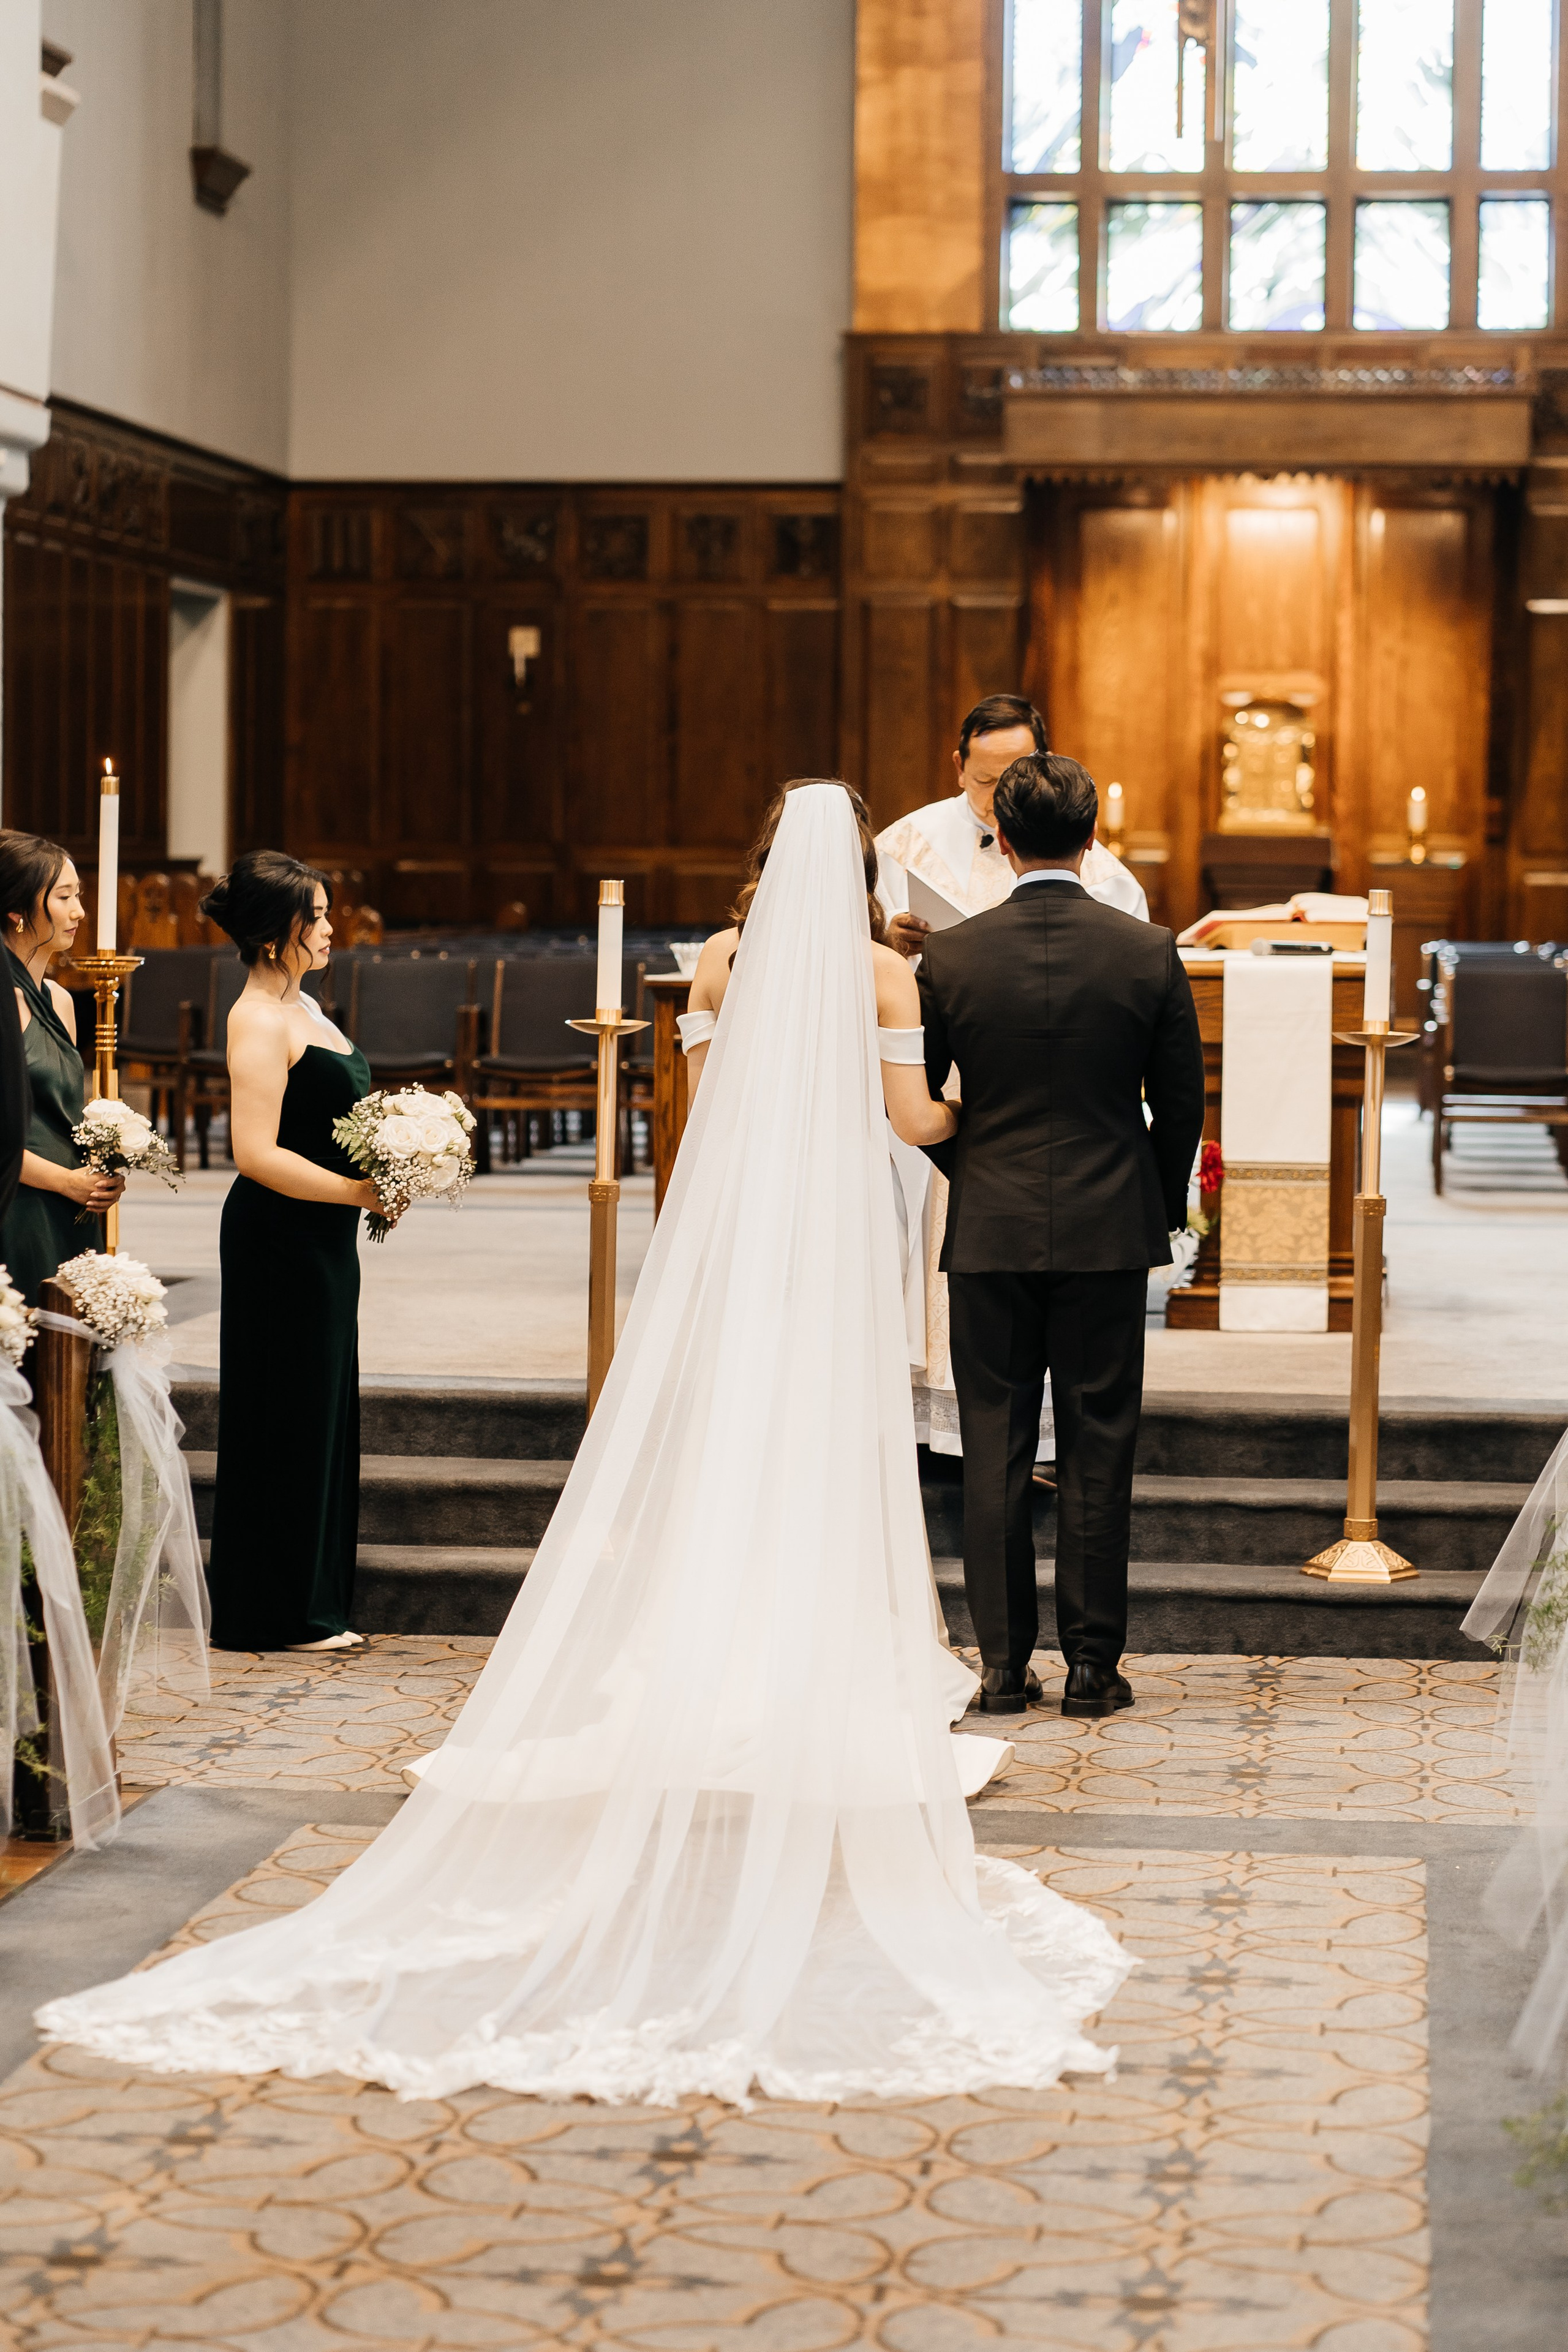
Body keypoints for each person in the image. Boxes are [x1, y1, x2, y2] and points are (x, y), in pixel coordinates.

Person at [39, 782, 1131, 2107]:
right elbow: (909, 1124)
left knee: (732, 1424)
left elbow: (710, 1102)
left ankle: (703, 1645)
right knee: (828, 1436)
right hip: (844, 1234)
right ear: (857, 868)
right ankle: (817, 1650)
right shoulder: (883, 976)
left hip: (735, 1241)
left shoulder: (725, 962)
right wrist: (1004, 1129)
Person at [917, 753, 1205, 1720]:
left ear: (1000, 835)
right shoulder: (1146, 949)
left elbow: (924, 1104)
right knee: (1097, 1444)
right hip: (1108, 1226)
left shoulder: (951, 959)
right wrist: (1152, 1205)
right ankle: (1092, 1667)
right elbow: (1180, 1104)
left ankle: (1002, 1669)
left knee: (992, 1447)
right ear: (1091, 838)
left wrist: (983, 1178)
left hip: (991, 1227)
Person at [875, 696, 1147, 1480]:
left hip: (1048, 1096)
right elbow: (857, 957)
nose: (994, 800)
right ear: (956, 763)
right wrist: (891, 943)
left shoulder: (1096, 868)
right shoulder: (908, 845)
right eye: (981, 777)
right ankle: (940, 1427)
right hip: (933, 1078)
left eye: (1010, 780)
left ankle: (1042, 1441)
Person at [200, 853, 379, 1654]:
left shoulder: (307, 1007)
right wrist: (356, 1194)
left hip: (325, 1239)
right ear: (281, 935)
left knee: (322, 1407)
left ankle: (318, 1600)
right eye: (320, 916)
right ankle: (274, 1609)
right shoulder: (256, 1019)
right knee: (283, 1412)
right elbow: (254, 1151)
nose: (333, 927)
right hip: (279, 1237)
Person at [0, 835, 124, 1304]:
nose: (80, 912)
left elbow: (70, 1112)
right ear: (18, 912)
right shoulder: (5, 1002)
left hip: (73, 1204)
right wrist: (67, 1182)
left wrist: (104, 1165)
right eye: (64, 897)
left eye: (80, 897)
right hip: (21, 1204)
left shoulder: (61, 1000)